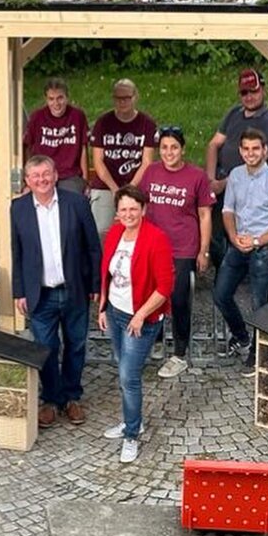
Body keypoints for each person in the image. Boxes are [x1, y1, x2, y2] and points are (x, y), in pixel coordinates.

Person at [11, 155, 101, 428]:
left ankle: (72, 396)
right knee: (46, 348)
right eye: (35, 176)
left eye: (46, 174)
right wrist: (19, 291)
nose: (41, 180)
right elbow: (17, 252)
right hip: (40, 293)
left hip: (74, 289)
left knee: (76, 344)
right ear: (27, 180)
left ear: (56, 174)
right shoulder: (18, 208)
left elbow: (93, 246)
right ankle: (50, 399)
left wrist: (95, 284)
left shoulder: (76, 203)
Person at [98, 185, 174, 464]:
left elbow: (165, 287)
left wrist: (141, 315)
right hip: (116, 313)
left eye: (133, 209)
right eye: (123, 210)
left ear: (143, 209)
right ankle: (134, 421)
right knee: (122, 369)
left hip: (141, 319)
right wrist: (103, 306)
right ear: (117, 213)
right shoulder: (115, 233)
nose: (128, 214)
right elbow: (105, 271)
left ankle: (131, 434)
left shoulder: (156, 239)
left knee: (129, 376)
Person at [212, 128, 268, 373]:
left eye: (256, 148)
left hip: (262, 249)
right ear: (241, 150)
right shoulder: (235, 175)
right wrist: (233, 237)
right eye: (246, 148)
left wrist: (257, 241)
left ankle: (257, 353)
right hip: (237, 244)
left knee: (259, 304)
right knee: (220, 294)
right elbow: (227, 210)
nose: (251, 153)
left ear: (265, 150)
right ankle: (242, 337)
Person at [143, 126, 215, 378]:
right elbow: (142, 207)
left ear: (182, 149)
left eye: (174, 147)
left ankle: (180, 353)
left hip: (183, 247)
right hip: (154, 245)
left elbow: (205, 214)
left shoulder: (196, 176)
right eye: (164, 147)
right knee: (151, 294)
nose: (169, 152)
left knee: (178, 298)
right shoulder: (151, 172)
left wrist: (203, 250)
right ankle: (157, 338)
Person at [204, 68, 268, 269]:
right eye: (244, 93)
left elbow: (255, 159)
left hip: (245, 183)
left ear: (263, 90)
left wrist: (224, 183)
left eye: (253, 91)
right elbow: (214, 144)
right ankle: (221, 267)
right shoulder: (233, 113)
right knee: (213, 230)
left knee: (235, 228)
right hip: (219, 177)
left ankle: (238, 268)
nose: (249, 97)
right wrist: (210, 179)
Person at [88, 78, 157, 236]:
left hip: (136, 183)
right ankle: (104, 259)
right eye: (118, 98)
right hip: (106, 184)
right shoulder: (103, 122)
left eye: (127, 98)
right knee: (101, 229)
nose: (122, 102)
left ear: (135, 97)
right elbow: (98, 161)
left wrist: (129, 189)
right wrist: (115, 189)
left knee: (137, 229)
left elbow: (147, 162)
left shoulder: (147, 124)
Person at [23, 78, 89, 194]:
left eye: (60, 98)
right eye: (51, 99)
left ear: (67, 97)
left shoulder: (77, 116)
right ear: (46, 99)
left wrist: (85, 180)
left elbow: (83, 149)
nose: (56, 104)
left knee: (71, 201)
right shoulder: (37, 117)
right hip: (42, 173)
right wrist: (28, 178)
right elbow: (27, 147)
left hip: (69, 175)